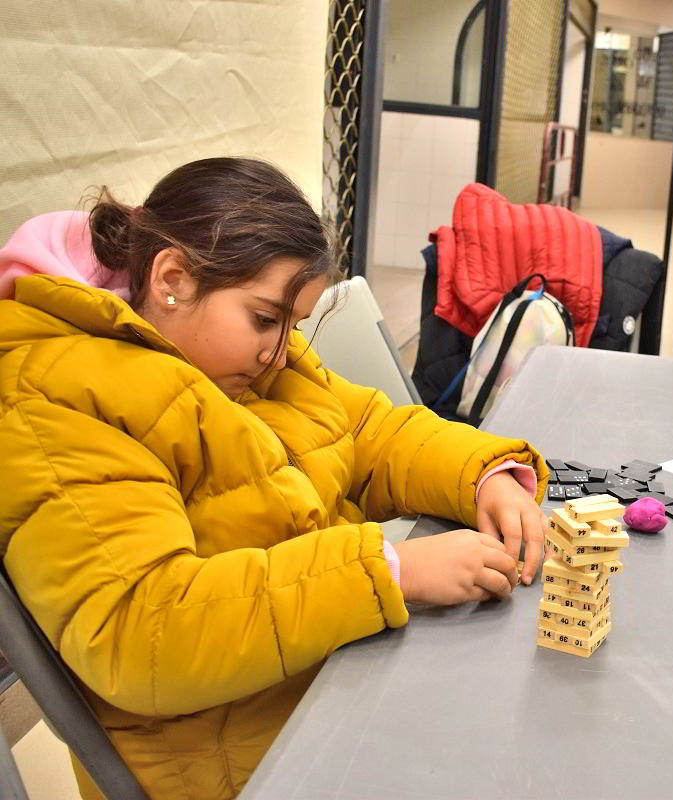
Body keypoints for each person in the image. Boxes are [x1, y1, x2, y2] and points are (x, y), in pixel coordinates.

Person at [0, 157, 550, 799]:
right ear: (172, 277)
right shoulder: (54, 399)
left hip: (328, 672)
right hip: (233, 751)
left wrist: (484, 476)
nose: (281, 349)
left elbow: (368, 431)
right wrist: (389, 571)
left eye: (293, 324)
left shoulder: (232, 354)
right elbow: (143, 631)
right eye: (265, 319)